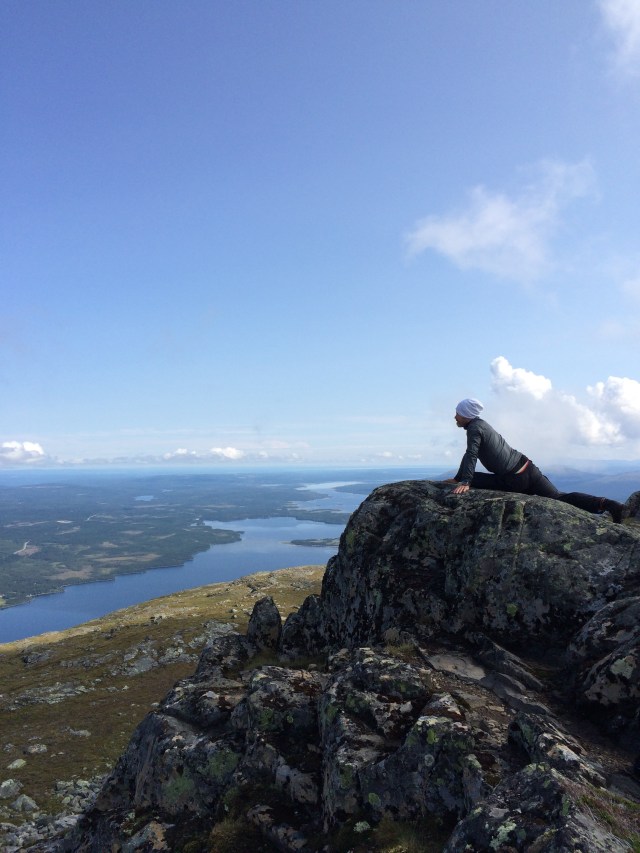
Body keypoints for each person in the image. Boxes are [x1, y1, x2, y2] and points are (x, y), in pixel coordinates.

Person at [444, 398, 627, 523]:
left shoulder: (475, 429)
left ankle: (608, 505)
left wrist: (465, 480)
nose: (455, 416)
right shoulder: (482, 425)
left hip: (514, 479)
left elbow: (471, 453)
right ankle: (608, 504)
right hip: (528, 468)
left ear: (466, 414)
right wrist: (460, 476)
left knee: (475, 479)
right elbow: (469, 453)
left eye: (457, 413)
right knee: (559, 497)